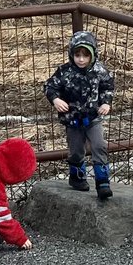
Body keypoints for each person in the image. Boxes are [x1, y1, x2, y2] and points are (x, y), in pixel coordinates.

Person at [43, 30, 115, 199]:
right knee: (76, 150)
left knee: (99, 145)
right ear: (71, 54)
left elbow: (108, 87)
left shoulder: (99, 70)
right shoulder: (64, 71)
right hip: (72, 120)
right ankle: (77, 177)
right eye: (77, 55)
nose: (81, 59)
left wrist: (106, 102)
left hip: (93, 118)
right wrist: (55, 100)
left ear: (93, 55)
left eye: (85, 56)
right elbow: (49, 86)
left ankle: (102, 182)